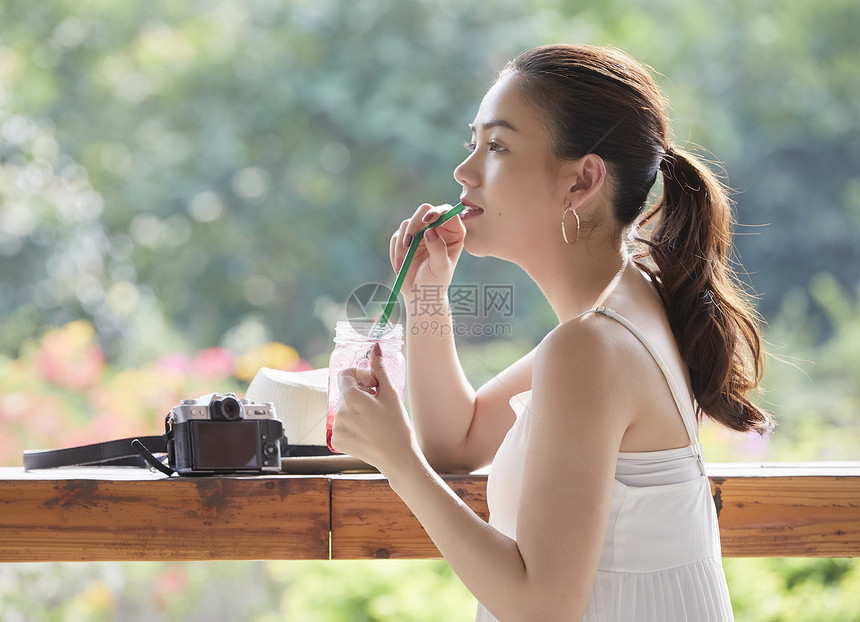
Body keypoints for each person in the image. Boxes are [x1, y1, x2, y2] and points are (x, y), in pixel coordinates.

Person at [330, 44, 772, 621]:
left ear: (582, 181)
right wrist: (427, 297)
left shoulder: (591, 346)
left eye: (498, 146)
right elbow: (456, 442)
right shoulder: (627, 305)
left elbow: (542, 606)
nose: (464, 172)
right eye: (474, 144)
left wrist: (398, 462)